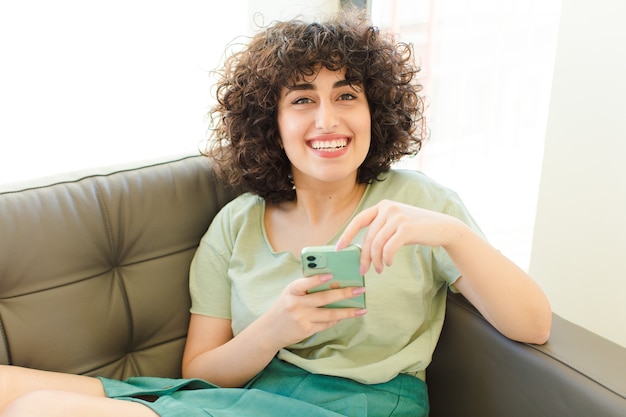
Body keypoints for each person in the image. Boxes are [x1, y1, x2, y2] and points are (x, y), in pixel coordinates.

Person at [0, 8, 551, 417]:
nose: (327, 120)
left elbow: (533, 324)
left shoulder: (422, 204)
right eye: (303, 99)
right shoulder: (236, 225)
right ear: (272, 123)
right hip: (250, 396)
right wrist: (274, 329)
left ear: (374, 110)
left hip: (358, 405)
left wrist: (453, 234)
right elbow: (202, 371)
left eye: (346, 95)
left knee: (39, 410)